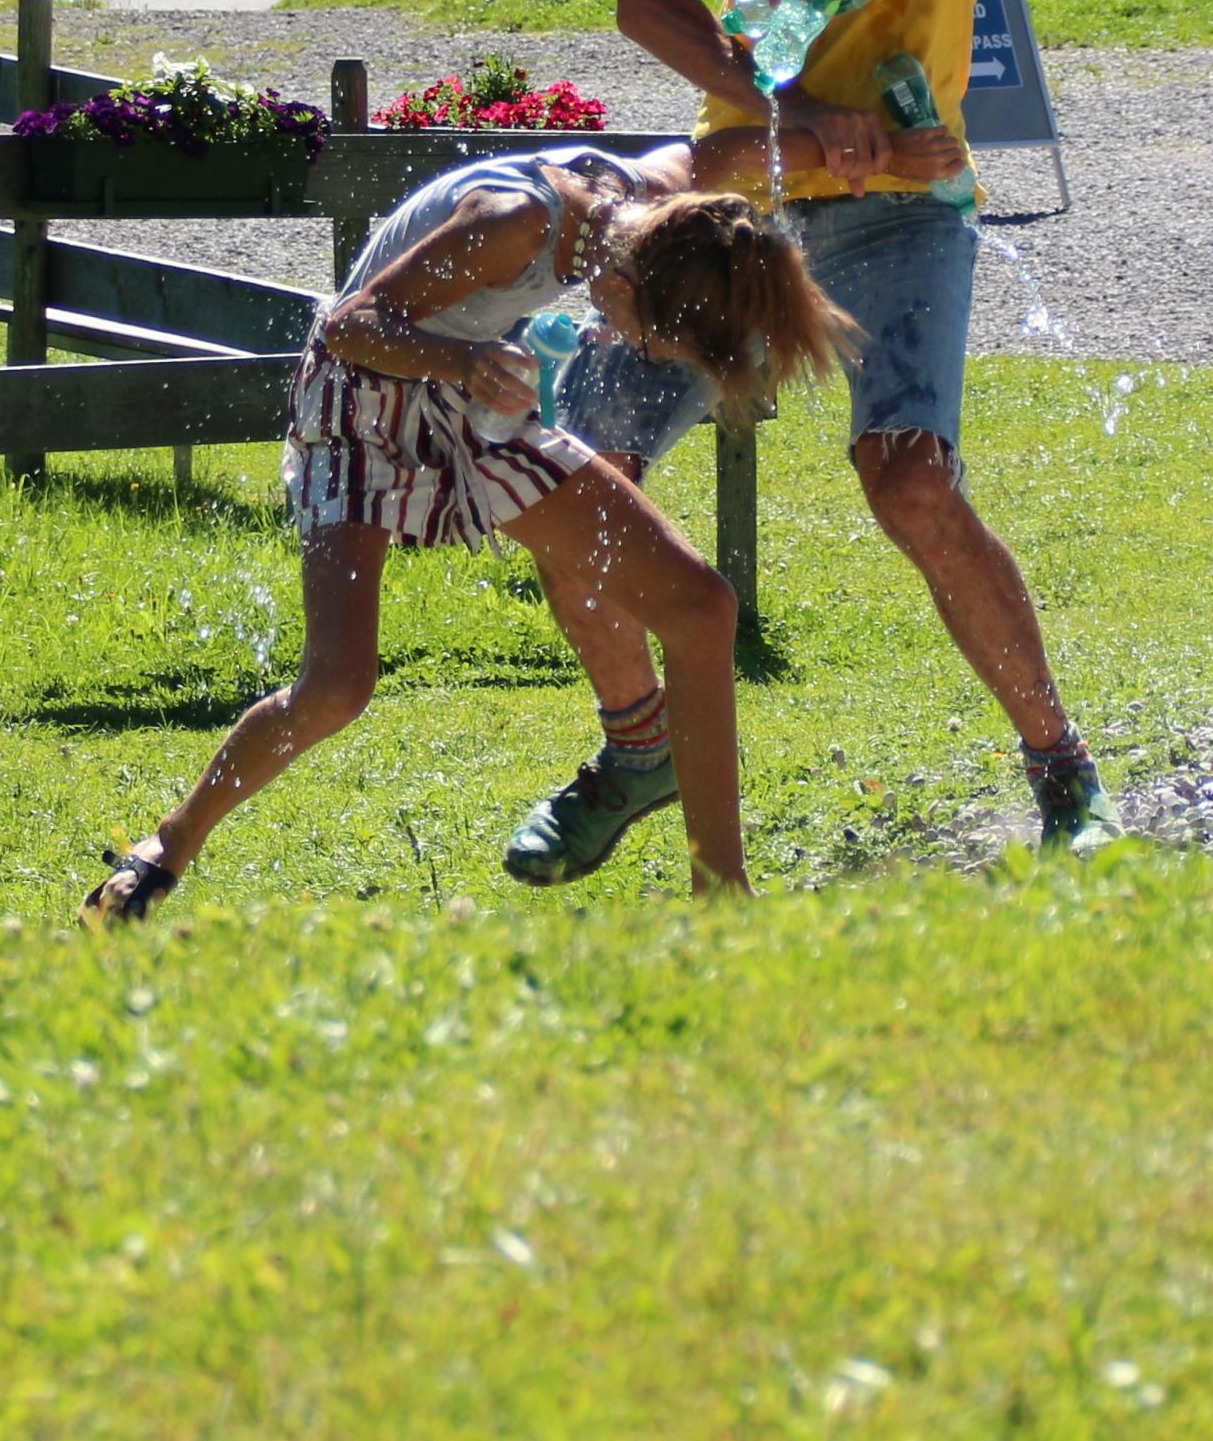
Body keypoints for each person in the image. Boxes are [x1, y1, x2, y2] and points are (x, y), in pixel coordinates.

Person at [512, 0, 1110, 881]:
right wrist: (781, 115)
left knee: (907, 480)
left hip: (905, 198)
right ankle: (636, 751)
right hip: (741, 187)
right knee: (573, 477)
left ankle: (1062, 769)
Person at [81, 135, 857, 921]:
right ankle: (167, 848)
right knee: (337, 686)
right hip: (361, 399)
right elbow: (348, 326)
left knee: (702, 608)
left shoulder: (646, 203)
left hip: (468, 388)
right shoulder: (515, 221)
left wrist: (838, 138)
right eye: (648, 336)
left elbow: (708, 148)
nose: (632, 345)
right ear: (622, 284)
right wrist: (466, 363)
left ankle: (723, 902)